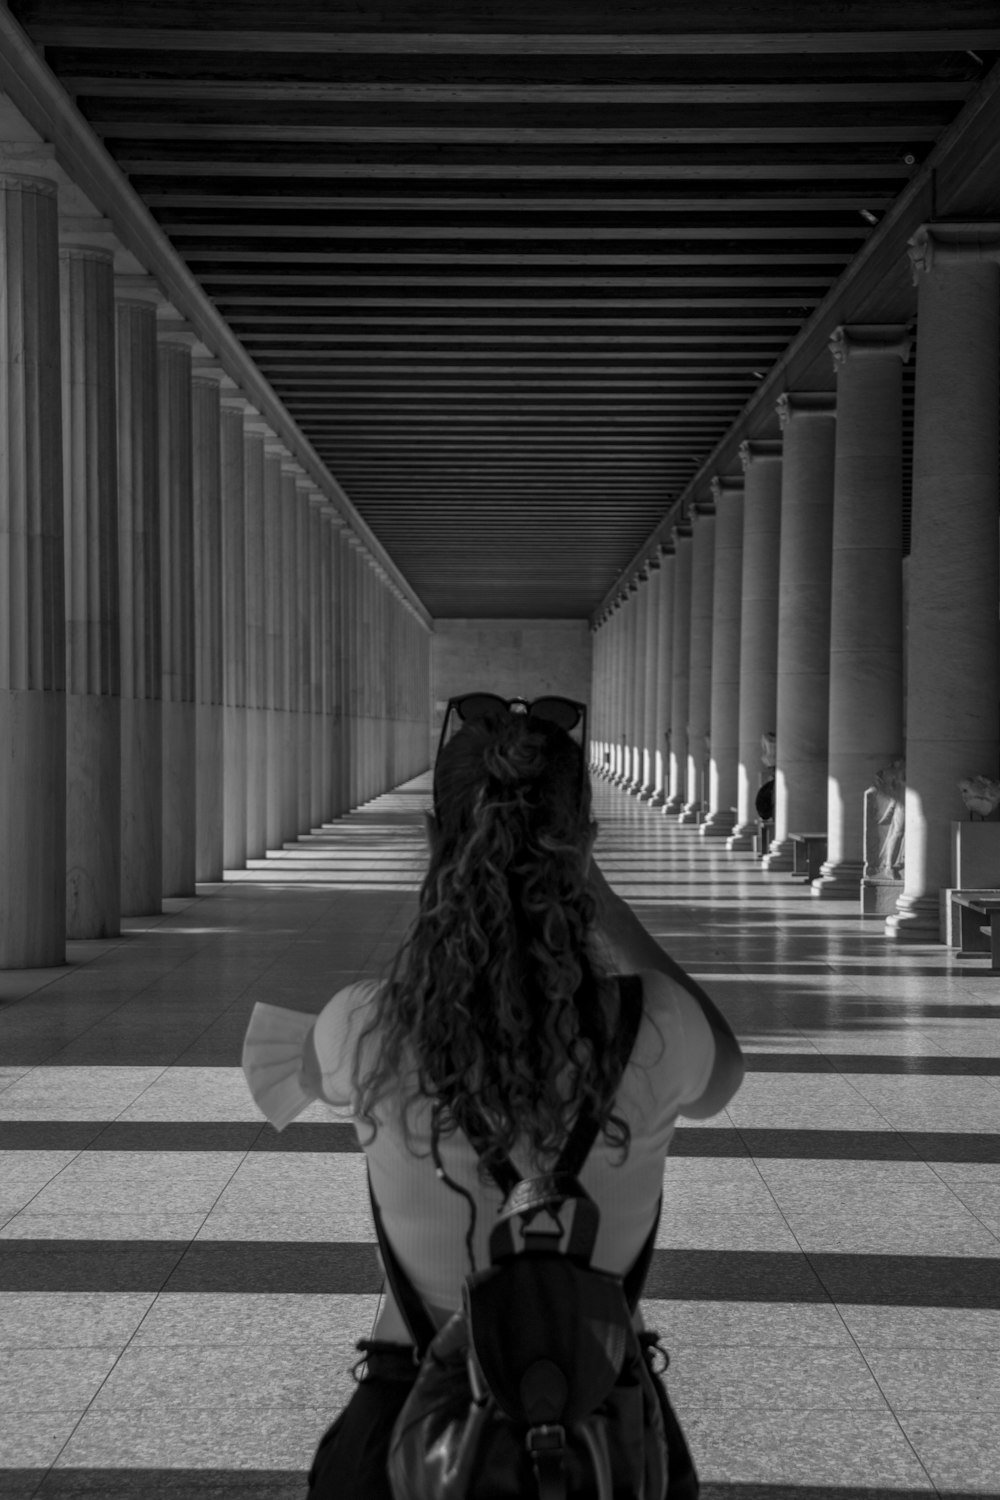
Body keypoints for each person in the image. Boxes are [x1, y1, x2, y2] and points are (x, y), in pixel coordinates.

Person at [242, 698, 744, 1500]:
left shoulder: (365, 1025)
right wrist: (601, 902)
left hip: (410, 1426)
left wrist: (453, 898)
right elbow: (727, 1068)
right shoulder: (661, 1026)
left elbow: (287, 1072)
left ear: (437, 842)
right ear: (584, 848)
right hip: (602, 1433)